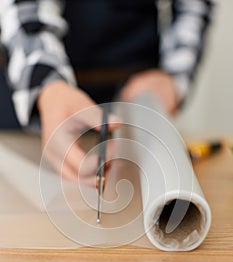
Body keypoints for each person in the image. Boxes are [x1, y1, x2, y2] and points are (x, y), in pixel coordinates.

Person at [0, 0, 215, 183]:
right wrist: (47, 86)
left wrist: (174, 73)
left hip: (135, 93)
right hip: (30, 104)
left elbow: (194, 6)